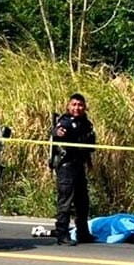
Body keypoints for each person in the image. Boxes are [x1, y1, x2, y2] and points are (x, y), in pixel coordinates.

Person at [51, 93, 96, 246]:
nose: (77, 108)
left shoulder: (86, 123)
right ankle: (62, 234)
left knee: (83, 202)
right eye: (74, 104)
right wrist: (58, 133)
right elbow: (57, 132)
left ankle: (83, 233)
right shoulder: (65, 121)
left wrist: (89, 162)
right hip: (66, 166)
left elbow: (88, 145)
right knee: (65, 201)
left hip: (79, 166)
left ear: (85, 107)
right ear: (68, 106)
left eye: (80, 105)